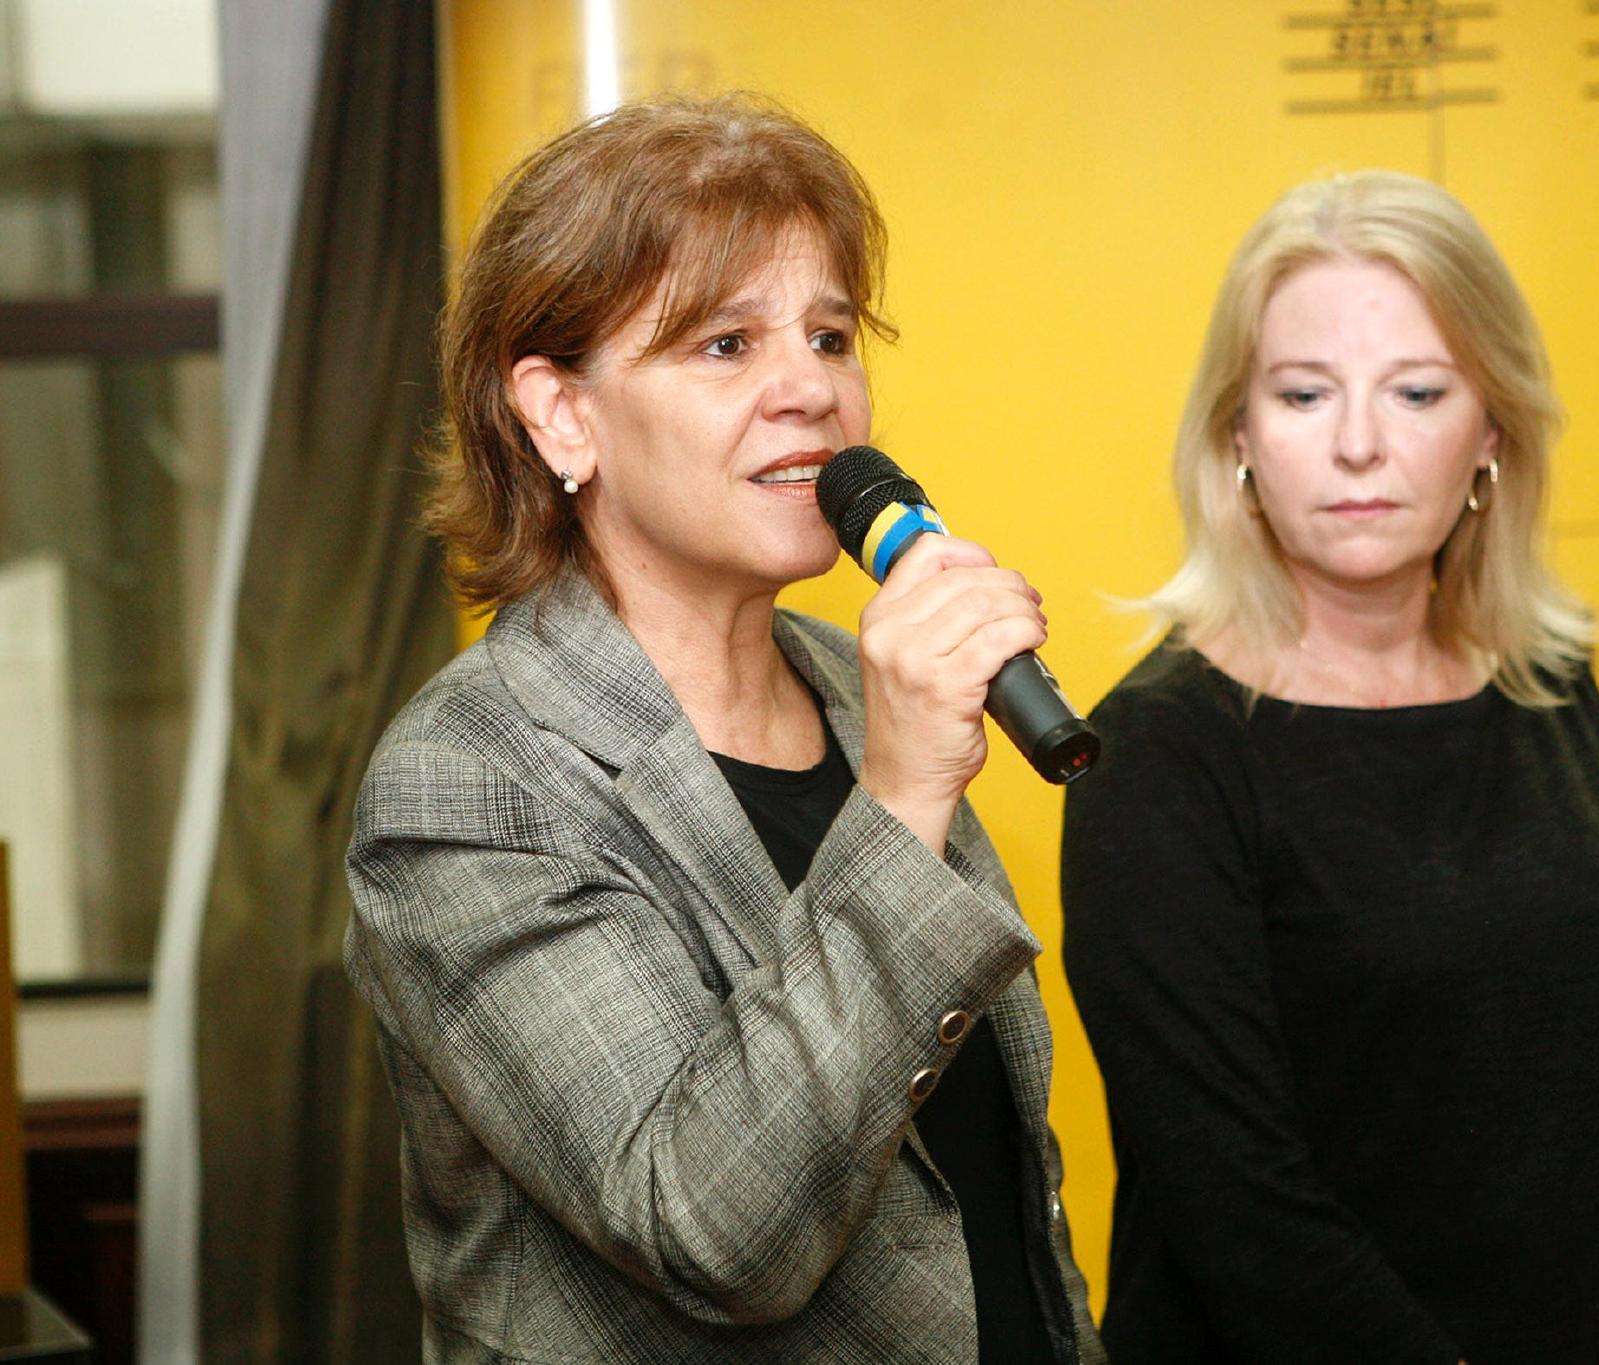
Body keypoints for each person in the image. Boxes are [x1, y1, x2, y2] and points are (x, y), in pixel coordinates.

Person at [343, 94, 1103, 1364]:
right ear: (561, 414)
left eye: (830, 336)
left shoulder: (857, 692)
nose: (809, 389)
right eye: (724, 344)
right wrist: (903, 798)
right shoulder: (470, 780)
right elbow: (708, 1233)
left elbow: (986, 1189)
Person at [1060, 170, 1599, 1365]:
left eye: (1416, 391)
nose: (1358, 444)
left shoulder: (1543, 683)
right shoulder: (1157, 751)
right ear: (1237, 434)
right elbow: (1238, 1204)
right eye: (1303, 393)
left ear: (1490, 432)